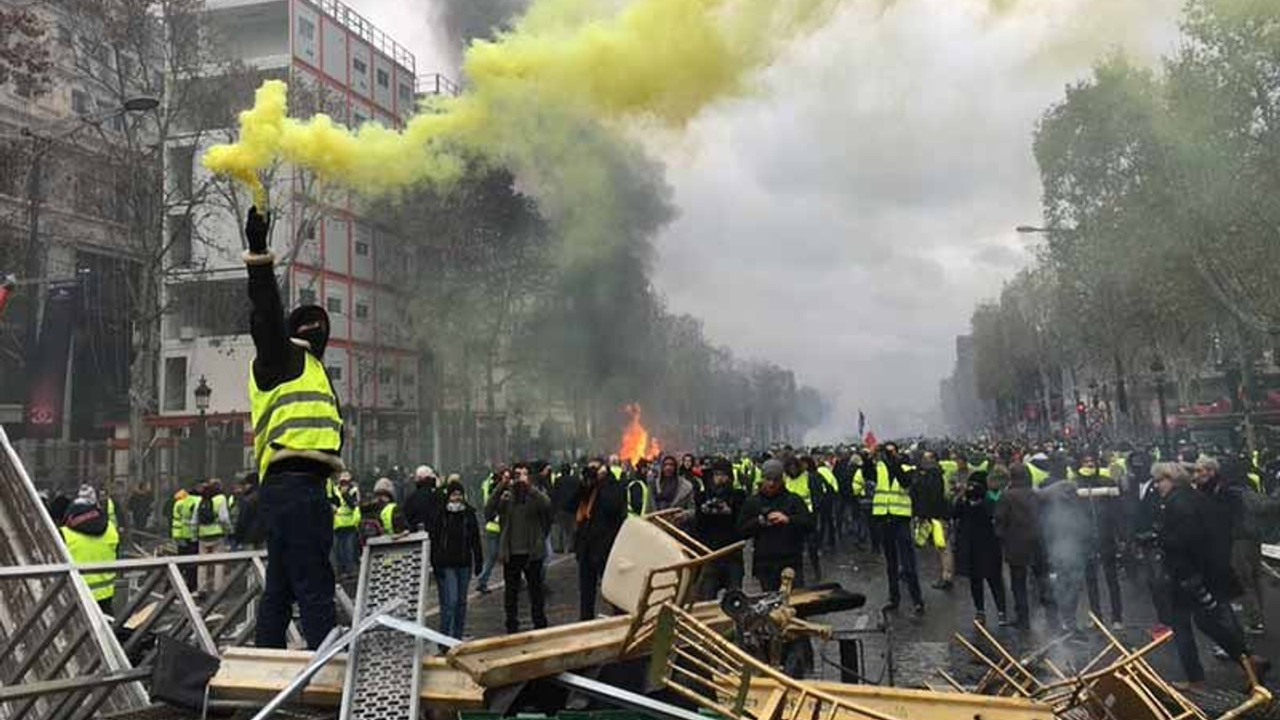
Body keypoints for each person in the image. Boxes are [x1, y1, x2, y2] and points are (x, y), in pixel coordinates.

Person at [243, 206, 345, 650]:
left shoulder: (313, 369)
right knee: (315, 589)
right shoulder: (283, 357)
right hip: (297, 489)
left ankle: (268, 667)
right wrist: (260, 254)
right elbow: (265, 310)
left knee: (280, 593)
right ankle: (331, 683)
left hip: (291, 490)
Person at [1153, 461, 1269, 689]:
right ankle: (1249, 660)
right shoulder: (1194, 497)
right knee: (1207, 622)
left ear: (1171, 479)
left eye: (1159, 480)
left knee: (1182, 625)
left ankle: (1196, 678)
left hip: (1188, 575)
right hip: (1203, 572)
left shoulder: (1178, 502)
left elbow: (1187, 540)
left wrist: (1161, 538)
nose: (1157, 486)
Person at [486, 463, 552, 632]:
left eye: (524, 474)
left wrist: (529, 487)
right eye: (518, 474)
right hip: (511, 552)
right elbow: (489, 510)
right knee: (511, 593)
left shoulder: (534, 493)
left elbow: (546, 504)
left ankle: (539, 623)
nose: (520, 478)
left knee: (536, 592)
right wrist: (502, 486)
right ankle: (511, 624)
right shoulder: (507, 495)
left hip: (532, 552)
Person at [738, 459, 813, 591]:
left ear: (782, 480)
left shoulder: (793, 500)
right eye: (768, 479)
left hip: (790, 562)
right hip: (765, 564)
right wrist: (759, 521)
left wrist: (788, 519)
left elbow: (809, 524)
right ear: (762, 479)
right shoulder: (753, 502)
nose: (771, 484)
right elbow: (740, 530)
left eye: (775, 480)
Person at [872, 442, 924, 615]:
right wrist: (868, 457)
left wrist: (894, 463)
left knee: (908, 563)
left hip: (900, 519)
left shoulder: (907, 467)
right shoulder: (879, 467)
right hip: (884, 517)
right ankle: (894, 598)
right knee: (891, 564)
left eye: (891, 452)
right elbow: (866, 474)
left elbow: (904, 482)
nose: (888, 455)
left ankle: (917, 600)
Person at [1038, 457, 1088, 634]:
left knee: (1060, 583)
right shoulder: (1070, 488)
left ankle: (1059, 621)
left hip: (1057, 542)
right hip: (1065, 542)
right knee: (1069, 583)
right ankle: (1067, 619)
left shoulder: (1043, 489)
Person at [429, 480, 483, 641]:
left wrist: (478, 560)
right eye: (454, 494)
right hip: (447, 564)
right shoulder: (441, 514)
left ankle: (457, 638)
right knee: (450, 602)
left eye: (459, 494)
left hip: (464, 563)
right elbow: (436, 539)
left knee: (461, 603)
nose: (457, 498)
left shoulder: (469, 514)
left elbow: (475, 538)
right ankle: (445, 639)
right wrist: (436, 562)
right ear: (448, 496)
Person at [995, 464, 1047, 630]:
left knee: (1018, 583)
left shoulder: (1006, 496)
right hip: (1037, 542)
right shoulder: (1036, 495)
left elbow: (999, 521)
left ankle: (1023, 619)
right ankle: (1051, 616)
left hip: (1015, 544)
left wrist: (1002, 538)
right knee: (1042, 579)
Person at [574, 461, 628, 619]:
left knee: (612, 587)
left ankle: (621, 618)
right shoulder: (587, 488)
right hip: (585, 546)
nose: (593, 471)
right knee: (586, 591)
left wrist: (604, 480)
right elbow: (569, 504)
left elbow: (613, 506)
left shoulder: (614, 486)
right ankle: (586, 621)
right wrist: (586, 484)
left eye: (596, 468)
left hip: (605, 546)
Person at [954, 471, 1008, 626]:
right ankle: (982, 611)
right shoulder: (965, 502)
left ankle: (1000, 611)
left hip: (987, 547)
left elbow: (995, 517)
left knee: (993, 580)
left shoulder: (990, 502)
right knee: (978, 580)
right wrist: (962, 498)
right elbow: (953, 513)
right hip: (976, 547)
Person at [1077, 454, 1123, 629]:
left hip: (1106, 536)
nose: (1089, 464)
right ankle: (1096, 617)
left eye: (1092, 461)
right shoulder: (1076, 484)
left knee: (1112, 579)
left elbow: (1117, 509)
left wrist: (1120, 534)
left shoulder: (1107, 481)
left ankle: (1117, 617)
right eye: (1085, 461)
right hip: (1086, 538)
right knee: (1091, 580)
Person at [695, 459, 747, 599]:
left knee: (735, 600)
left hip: (732, 554)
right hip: (710, 554)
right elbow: (698, 526)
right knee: (707, 599)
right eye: (717, 474)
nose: (720, 478)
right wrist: (704, 511)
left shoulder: (738, 496)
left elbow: (743, 526)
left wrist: (729, 511)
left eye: (723, 474)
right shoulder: (702, 496)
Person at [61, 490, 119, 615]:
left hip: (78, 596)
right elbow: (116, 554)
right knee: (106, 630)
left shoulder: (65, 534)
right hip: (106, 595)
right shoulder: (110, 528)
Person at [910, 450, 953, 591]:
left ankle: (946, 577)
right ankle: (944, 575)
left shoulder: (934, 476)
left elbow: (933, 497)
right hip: (935, 516)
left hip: (937, 517)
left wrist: (926, 514)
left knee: (942, 547)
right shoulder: (933, 474)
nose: (924, 460)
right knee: (939, 547)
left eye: (927, 458)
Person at [193, 479, 231, 595]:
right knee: (218, 562)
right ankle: (218, 588)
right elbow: (224, 518)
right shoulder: (221, 499)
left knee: (202, 563)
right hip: (217, 534)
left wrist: (195, 535)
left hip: (203, 535)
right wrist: (228, 530)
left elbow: (194, 520)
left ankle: (201, 588)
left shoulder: (200, 500)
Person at [475, 467, 510, 594]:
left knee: (500, 555)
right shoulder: (498, 489)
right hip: (495, 525)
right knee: (494, 556)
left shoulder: (488, 484)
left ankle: (483, 580)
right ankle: (482, 580)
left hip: (497, 525)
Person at [330, 472, 361, 578]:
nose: (344, 485)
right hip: (338, 525)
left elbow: (354, 506)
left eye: (346, 482)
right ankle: (341, 571)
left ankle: (350, 571)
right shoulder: (334, 489)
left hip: (350, 525)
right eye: (342, 482)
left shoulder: (354, 491)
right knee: (338, 550)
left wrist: (345, 494)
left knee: (349, 549)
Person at [170, 486, 200, 590]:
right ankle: (190, 584)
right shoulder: (194, 501)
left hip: (178, 534)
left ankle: (171, 584)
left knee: (181, 561)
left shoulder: (178, 503)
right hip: (189, 535)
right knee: (190, 562)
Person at [652, 455, 695, 524]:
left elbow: (692, 510)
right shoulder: (654, 485)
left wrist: (682, 515)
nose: (668, 467)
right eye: (665, 464)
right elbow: (649, 508)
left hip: (677, 526)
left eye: (671, 465)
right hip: (658, 525)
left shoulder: (686, 487)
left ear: (676, 467)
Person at [550, 461, 580, 552]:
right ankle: (572, 546)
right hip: (572, 507)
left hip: (561, 508)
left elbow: (555, 494)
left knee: (561, 528)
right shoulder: (575, 480)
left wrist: (554, 507)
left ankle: (560, 547)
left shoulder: (558, 481)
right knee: (572, 528)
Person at [404, 465, 442, 532]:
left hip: (417, 535)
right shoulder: (439, 495)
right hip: (437, 534)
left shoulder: (411, 498)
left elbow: (407, 517)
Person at [233, 472, 265, 551]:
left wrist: (237, 538)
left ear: (250, 484)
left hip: (248, 537)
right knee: (263, 561)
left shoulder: (248, 499)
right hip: (264, 536)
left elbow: (242, 520)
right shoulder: (266, 496)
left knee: (248, 560)